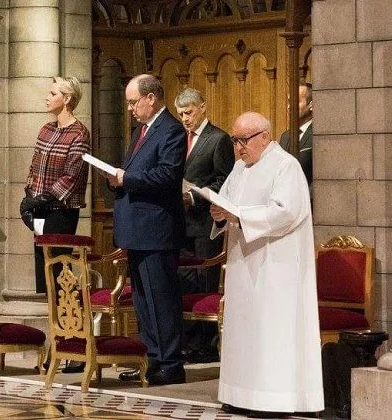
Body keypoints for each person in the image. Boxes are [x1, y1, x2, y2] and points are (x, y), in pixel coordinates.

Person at [209, 112, 323, 417]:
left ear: (264, 136)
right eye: (234, 140)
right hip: (243, 262)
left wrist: (240, 216)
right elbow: (228, 202)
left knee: (272, 331)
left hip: (276, 266)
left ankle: (273, 400)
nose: (238, 148)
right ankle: (240, 393)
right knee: (244, 331)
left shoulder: (286, 166)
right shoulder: (238, 168)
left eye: (242, 140)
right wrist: (219, 214)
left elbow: (285, 213)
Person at [108, 74, 186, 386]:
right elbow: (137, 171)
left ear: (150, 98)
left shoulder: (171, 130)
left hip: (157, 229)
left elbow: (167, 177)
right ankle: (152, 359)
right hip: (137, 229)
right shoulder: (142, 130)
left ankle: (170, 363)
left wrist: (127, 179)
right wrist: (117, 177)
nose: (129, 108)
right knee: (142, 299)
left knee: (161, 299)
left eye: (132, 101)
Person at [20, 76, 90, 373]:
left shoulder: (79, 133)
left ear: (68, 98)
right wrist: (28, 198)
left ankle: (75, 346)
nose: (47, 98)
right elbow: (35, 167)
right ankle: (57, 344)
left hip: (61, 212)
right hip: (40, 210)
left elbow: (71, 177)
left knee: (61, 278)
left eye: (53, 93)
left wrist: (42, 200)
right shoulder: (46, 129)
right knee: (47, 282)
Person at [174, 88, 234, 364]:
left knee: (203, 281)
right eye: (181, 114)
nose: (185, 119)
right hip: (179, 222)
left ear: (202, 108)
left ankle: (205, 345)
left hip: (203, 221)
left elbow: (225, 179)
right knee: (183, 281)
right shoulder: (178, 137)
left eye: (189, 113)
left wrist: (194, 196)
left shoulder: (218, 139)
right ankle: (186, 342)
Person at [279, 83, 313, 186]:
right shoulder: (286, 136)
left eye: (296, 102)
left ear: (311, 105)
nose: (289, 107)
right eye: (289, 102)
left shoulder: (318, 136)